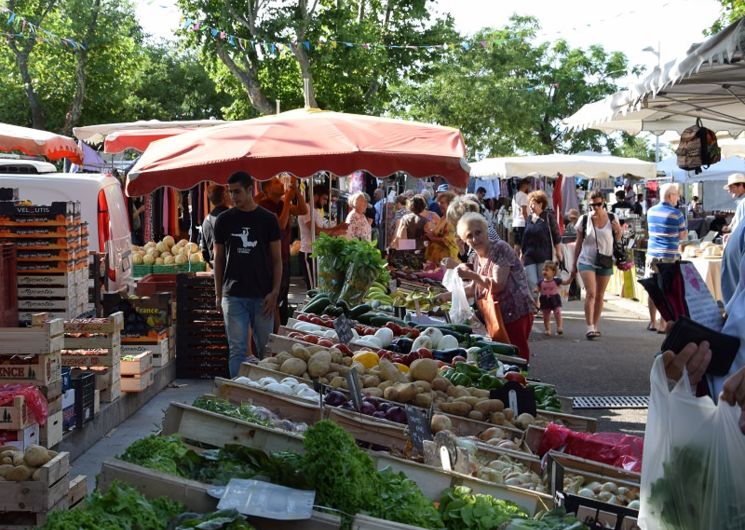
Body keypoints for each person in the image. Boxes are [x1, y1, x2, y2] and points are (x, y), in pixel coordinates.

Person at [213, 171, 281, 377]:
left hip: (263, 296)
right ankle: (237, 399)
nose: (233, 197)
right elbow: (218, 259)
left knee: (265, 351)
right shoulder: (223, 220)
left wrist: (275, 292)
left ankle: (266, 395)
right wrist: (218, 294)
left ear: (251, 190)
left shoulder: (268, 220)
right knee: (237, 350)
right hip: (233, 295)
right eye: (230, 192)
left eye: (237, 192)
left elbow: (277, 260)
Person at [440, 213, 534, 361]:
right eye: (469, 236)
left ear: (486, 230)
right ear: (464, 240)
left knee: (517, 355)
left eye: (478, 232)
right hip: (496, 314)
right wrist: (444, 297)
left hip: (515, 311)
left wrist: (471, 274)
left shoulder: (500, 248)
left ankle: (520, 382)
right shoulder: (476, 257)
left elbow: (497, 285)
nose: (475, 239)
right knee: (503, 356)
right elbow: (473, 289)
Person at [571, 191, 622, 340]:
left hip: (605, 259)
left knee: (600, 295)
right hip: (586, 260)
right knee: (591, 293)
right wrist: (574, 264)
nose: (595, 207)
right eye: (592, 205)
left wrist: (618, 232)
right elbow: (579, 242)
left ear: (604, 203)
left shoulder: (612, 217)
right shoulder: (584, 219)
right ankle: (589, 327)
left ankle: (595, 324)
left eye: (598, 204)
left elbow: (617, 241)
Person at [258, 176, 308, 327]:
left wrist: (296, 190)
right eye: (276, 182)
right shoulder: (264, 206)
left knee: (282, 298)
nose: (281, 184)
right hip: (271, 260)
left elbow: (302, 210)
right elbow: (280, 224)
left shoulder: (280, 203)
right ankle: (276, 331)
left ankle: (279, 329)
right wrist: (287, 200)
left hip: (284, 257)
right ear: (267, 189)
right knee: (274, 297)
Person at [645, 183, 687, 332]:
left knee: (652, 288)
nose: (678, 197)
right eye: (676, 194)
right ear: (670, 196)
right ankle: (663, 324)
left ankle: (652, 322)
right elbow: (683, 235)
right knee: (666, 290)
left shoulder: (650, 211)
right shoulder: (677, 214)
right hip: (669, 256)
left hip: (652, 255)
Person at [298, 189, 348, 290]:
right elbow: (315, 231)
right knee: (312, 288)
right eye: (324, 199)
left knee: (318, 287)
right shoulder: (307, 209)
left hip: (316, 253)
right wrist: (335, 230)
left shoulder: (316, 211)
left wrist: (337, 228)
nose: (325, 202)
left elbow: (324, 230)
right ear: (316, 196)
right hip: (308, 252)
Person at [521, 190, 562, 300]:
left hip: (544, 255)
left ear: (541, 204)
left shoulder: (548, 218)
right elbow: (525, 237)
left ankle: (542, 304)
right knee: (531, 281)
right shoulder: (529, 219)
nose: (530, 206)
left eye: (533, 203)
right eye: (530, 203)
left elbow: (556, 235)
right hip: (529, 255)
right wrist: (522, 253)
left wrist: (559, 252)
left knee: (542, 281)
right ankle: (535, 304)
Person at [391, 195, 428, 270]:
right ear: (423, 207)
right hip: (420, 252)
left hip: (406, 252)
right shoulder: (425, 221)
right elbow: (428, 238)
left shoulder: (405, 219)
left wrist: (393, 245)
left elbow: (399, 236)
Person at [424, 191, 459, 265]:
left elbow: (448, 241)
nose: (439, 205)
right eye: (439, 202)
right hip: (436, 261)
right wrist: (429, 234)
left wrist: (431, 238)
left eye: (442, 202)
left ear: (450, 204)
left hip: (445, 262)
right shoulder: (443, 217)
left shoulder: (451, 219)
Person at [538, 260, 571, 336]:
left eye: (547, 270)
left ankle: (559, 327)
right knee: (546, 315)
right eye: (543, 270)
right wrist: (536, 290)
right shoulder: (540, 282)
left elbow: (566, 282)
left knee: (558, 312)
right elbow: (539, 288)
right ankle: (547, 329)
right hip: (545, 300)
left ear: (553, 272)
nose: (544, 272)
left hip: (555, 299)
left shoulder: (556, 281)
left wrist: (571, 277)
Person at [200, 184, 230, 266]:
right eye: (228, 192)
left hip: (215, 268)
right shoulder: (231, 216)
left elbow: (204, 251)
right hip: (231, 269)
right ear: (224, 195)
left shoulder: (206, 220)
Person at [511, 179, 531, 253]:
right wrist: (528, 222)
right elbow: (524, 211)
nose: (529, 186)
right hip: (522, 223)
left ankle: (515, 261)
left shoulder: (515, 196)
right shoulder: (524, 196)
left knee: (517, 244)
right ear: (524, 185)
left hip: (516, 222)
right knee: (524, 244)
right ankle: (522, 261)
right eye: (528, 184)